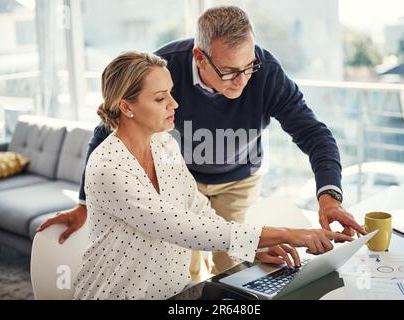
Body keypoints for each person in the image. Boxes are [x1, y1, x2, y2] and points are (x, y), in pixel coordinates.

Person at [38, 6, 366, 280]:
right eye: (228, 71)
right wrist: (86, 203)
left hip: (238, 179)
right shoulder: (164, 70)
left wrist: (329, 197)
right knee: (185, 270)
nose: (242, 80)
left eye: (248, 66)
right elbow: (107, 128)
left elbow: (315, 134)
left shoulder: (265, 73)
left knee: (238, 267)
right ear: (199, 57)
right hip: (180, 178)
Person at [72, 51, 352, 300]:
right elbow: (179, 227)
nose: (174, 104)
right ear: (126, 107)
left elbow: (196, 208)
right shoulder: (108, 168)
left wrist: (251, 250)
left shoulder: (164, 143)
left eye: (171, 93)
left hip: (174, 293)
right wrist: (290, 234)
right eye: (160, 98)